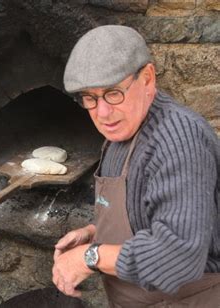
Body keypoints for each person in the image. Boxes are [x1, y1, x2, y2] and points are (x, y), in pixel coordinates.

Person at [52, 25, 220, 307]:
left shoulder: (178, 141)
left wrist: (90, 257)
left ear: (148, 79)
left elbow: (178, 256)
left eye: (114, 92)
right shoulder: (123, 130)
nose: (103, 113)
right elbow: (145, 212)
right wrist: (95, 233)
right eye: (90, 98)